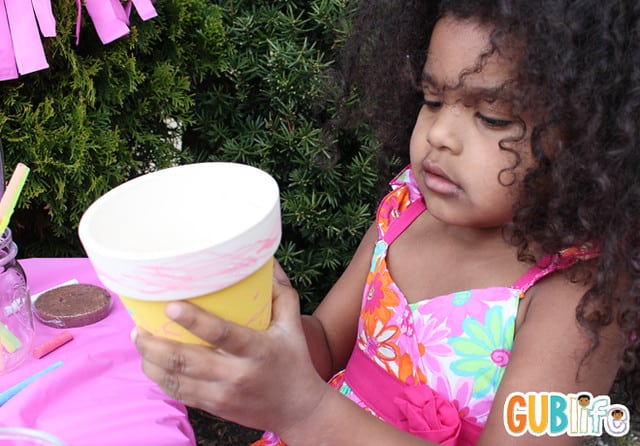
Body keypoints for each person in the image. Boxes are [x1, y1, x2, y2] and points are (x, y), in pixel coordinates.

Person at [131, 0, 640, 444]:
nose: (440, 133)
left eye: (493, 118)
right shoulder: (406, 209)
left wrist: (303, 408)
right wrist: (254, 328)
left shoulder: (581, 297)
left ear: (588, 136)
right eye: (433, 99)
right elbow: (327, 343)